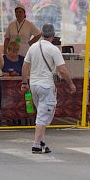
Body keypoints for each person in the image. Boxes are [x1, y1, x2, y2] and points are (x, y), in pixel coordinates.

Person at [21, 23, 74, 154]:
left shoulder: (33, 47)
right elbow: (62, 69)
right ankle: (36, 144)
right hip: (46, 85)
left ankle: (42, 142)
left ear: (41, 34)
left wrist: (24, 82)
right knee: (43, 116)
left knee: (41, 113)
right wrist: (70, 83)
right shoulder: (54, 49)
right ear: (54, 35)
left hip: (34, 85)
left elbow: (25, 66)